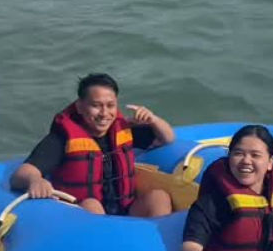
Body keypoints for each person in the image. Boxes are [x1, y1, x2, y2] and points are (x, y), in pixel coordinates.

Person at [10, 73, 175, 217]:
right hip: (84, 216)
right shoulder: (62, 139)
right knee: (92, 205)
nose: (104, 113)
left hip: (125, 210)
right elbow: (22, 173)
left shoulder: (123, 130)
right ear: (80, 107)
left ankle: (155, 241)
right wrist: (35, 180)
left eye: (110, 105)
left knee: (159, 197)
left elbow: (167, 138)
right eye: (96, 106)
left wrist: (153, 120)